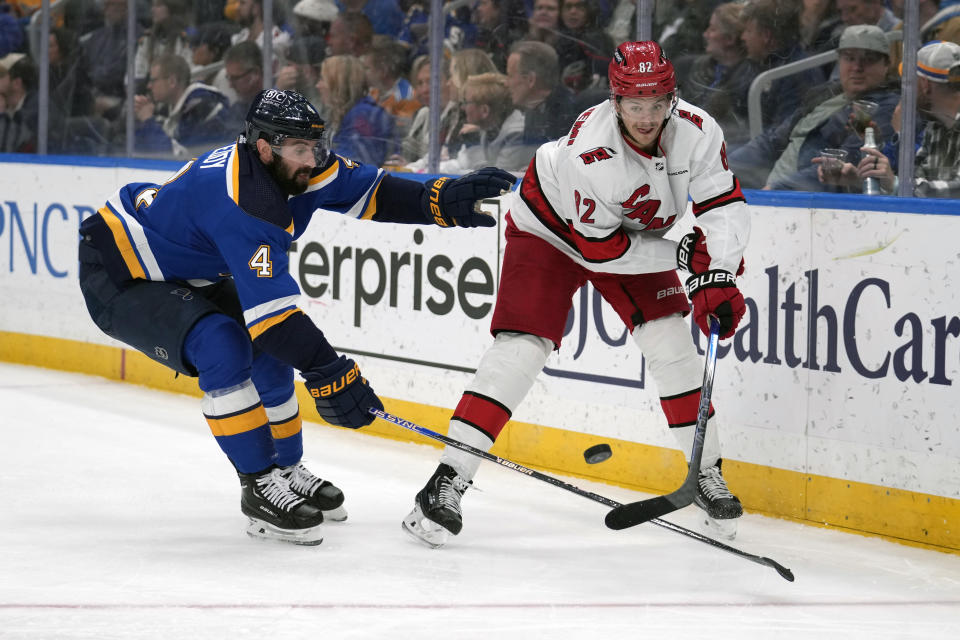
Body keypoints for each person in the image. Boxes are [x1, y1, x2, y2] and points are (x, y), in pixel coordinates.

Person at [77, 88, 516, 545]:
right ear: (264, 148)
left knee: (268, 355)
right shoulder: (244, 201)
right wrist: (331, 371)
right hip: (120, 272)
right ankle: (259, 487)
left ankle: (285, 469)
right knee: (223, 346)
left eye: (315, 145)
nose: (313, 159)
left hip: (185, 268)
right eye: (300, 149)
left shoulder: (291, 167)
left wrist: (439, 200)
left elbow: (371, 189)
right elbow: (275, 321)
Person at [402, 41, 750, 548]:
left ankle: (706, 472)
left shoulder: (698, 130)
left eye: (658, 103)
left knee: (672, 346)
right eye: (635, 104)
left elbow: (723, 203)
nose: (647, 116)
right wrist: (685, 263)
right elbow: (602, 252)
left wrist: (717, 275)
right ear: (616, 101)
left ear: (672, 98)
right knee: (523, 346)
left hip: (633, 237)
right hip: (549, 228)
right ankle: (447, 479)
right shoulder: (593, 151)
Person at [728, 24, 899, 191]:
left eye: (868, 59)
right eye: (849, 57)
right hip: (771, 189)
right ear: (839, 61)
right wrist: (723, 169)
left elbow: (845, 163)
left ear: (886, 65)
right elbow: (773, 139)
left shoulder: (878, 107)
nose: (857, 67)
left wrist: (776, 190)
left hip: (802, 202)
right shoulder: (826, 94)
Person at [821, 40, 960, 197]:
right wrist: (859, 180)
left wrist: (893, 182)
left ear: (925, 85)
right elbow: (914, 183)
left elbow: (955, 192)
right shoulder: (937, 127)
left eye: (908, 82)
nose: (904, 90)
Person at [676, 1, 757, 149]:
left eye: (712, 29)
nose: (705, 34)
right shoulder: (690, 66)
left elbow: (741, 130)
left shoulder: (748, 79)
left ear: (729, 39)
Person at [132, 53, 235, 157]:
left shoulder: (202, 107)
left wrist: (148, 121)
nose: (149, 86)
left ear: (172, 81)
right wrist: (140, 120)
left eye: (153, 80)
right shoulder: (170, 108)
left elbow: (177, 157)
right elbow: (141, 148)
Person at [315, 53, 394, 166]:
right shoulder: (342, 113)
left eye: (322, 79)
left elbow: (353, 163)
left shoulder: (362, 115)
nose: (318, 85)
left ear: (338, 84)